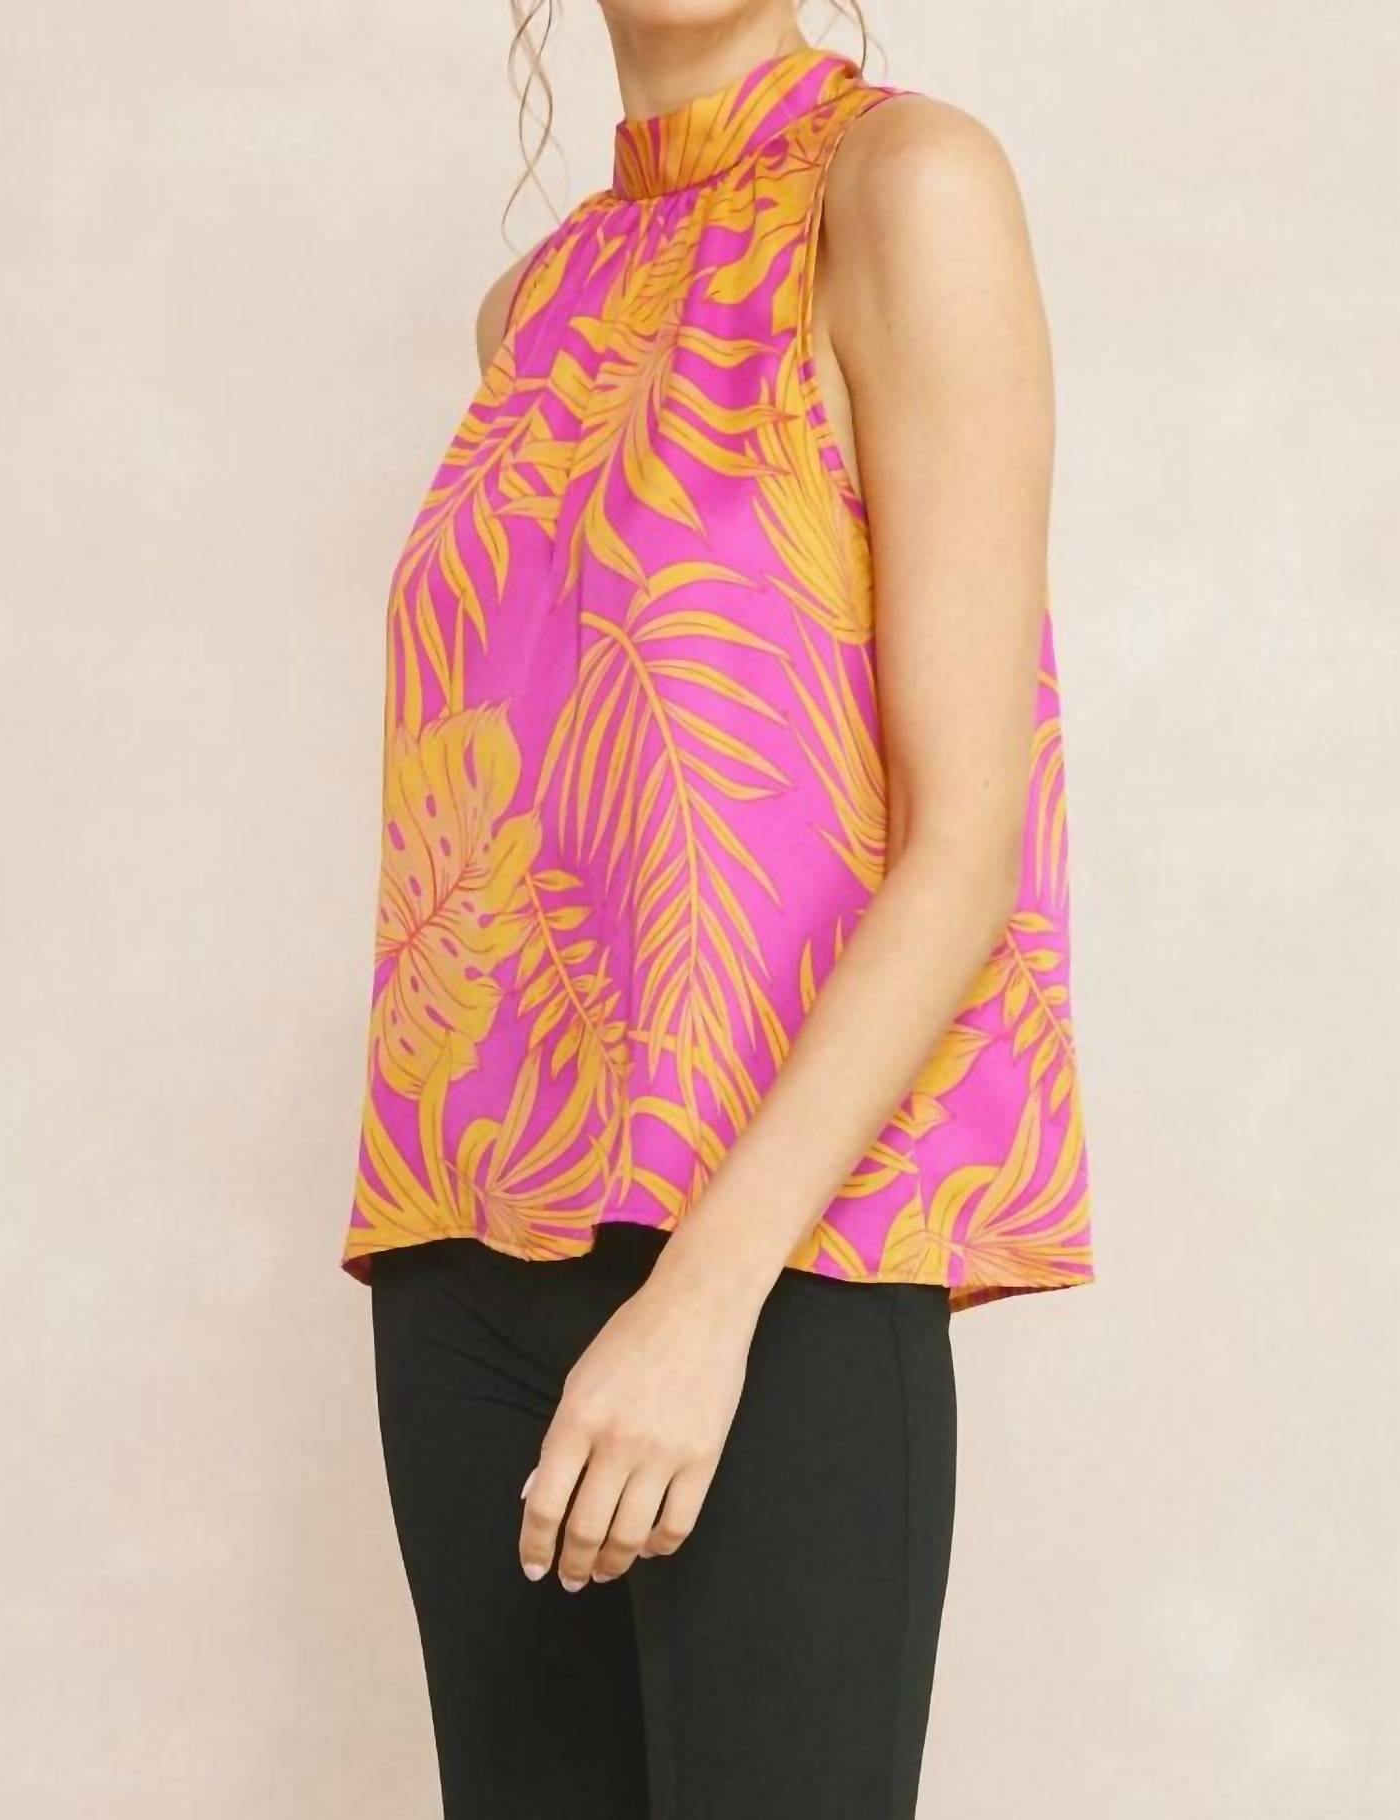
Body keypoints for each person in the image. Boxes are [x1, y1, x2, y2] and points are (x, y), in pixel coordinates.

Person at [341, 4, 1095, 1814]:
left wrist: (698, 1308)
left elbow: (965, 840)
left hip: (778, 1266)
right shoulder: (531, 311)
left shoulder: (906, 190)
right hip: (465, 1262)